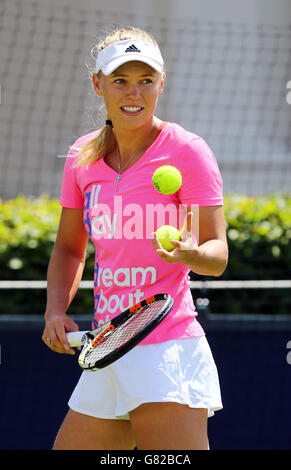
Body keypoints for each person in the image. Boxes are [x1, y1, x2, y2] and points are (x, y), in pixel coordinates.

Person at [42, 26, 228, 450]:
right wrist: (55, 310)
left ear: (161, 83)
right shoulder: (81, 158)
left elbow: (217, 256)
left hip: (167, 349)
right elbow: (70, 247)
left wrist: (191, 252)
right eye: (121, 80)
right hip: (107, 347)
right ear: (98, 84)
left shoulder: (188, 151)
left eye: (146, 80)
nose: (134, 93)